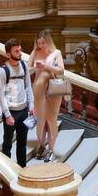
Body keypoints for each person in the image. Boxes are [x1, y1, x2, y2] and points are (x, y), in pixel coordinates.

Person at [0, 39, 35, 167]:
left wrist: (31, 105)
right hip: (11, 112)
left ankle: (22, 169)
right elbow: (1, 95)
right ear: (8, 54)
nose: (20, 53)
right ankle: (6, 169)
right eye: (16, 51)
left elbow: (28, 87)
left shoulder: (24, 66)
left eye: (20, 50)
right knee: (7, 143)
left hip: (24, 110)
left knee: (22, 143)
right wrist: (7, 115)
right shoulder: (2, 71)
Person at [29, 29, 65, 163]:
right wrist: (35, 68)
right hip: (38, 88)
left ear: (48, 41)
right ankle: (41, 146)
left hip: (53, 88)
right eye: (39, 43)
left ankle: (51, 149)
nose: (41, 45)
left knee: (51, 119)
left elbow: (61, 71)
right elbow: (28, 71)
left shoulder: (56, 53)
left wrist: (47, 66)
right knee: (40, 120)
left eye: (43, 42)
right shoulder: (35, 52)